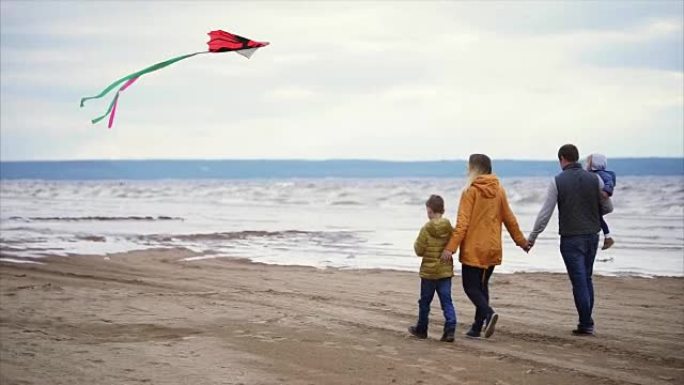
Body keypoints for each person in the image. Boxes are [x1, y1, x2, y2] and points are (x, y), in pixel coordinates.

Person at [527, 144, 613, 336]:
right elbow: (608, 208)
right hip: (592, 235)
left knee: (579, 281)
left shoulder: (558, 181)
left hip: (571, 237)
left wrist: (533, 237)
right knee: (587, 278)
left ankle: (586, 323)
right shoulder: (595, 179)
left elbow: (545, 213)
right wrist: (591, 211)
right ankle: (586, 321)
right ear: (577, 158)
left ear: (562, 159)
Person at [440, 154, 529, 339]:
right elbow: (509, 218)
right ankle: (476, 327)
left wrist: (450, 248)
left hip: (475, 247)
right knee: (482, 286)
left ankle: (488, 314)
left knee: (470, 287)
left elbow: (462, 224)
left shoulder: (470, 191)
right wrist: (521, 241)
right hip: (492, 247)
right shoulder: (499, 190)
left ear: (474, 169)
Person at [408, 194, 457, 342]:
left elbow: (419, 250)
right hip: (445, 272)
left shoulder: (426, 228)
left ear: (429, 210)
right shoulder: (449, 227)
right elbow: (454, 245)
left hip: (429, 273)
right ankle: (450, 329)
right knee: (446, 300)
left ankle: (422, 329)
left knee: (425, 302)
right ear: (443, 210)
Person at [586, 153, 617, 250]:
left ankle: (608, 238)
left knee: (597, 217)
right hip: (595, 201)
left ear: (596, 163)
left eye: (589, 162)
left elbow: (609, 182)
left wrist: (607, 192)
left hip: (600, 201)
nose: (586, 165)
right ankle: (605, 237)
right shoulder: (592, 174)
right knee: (596, 218)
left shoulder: (602, 174)